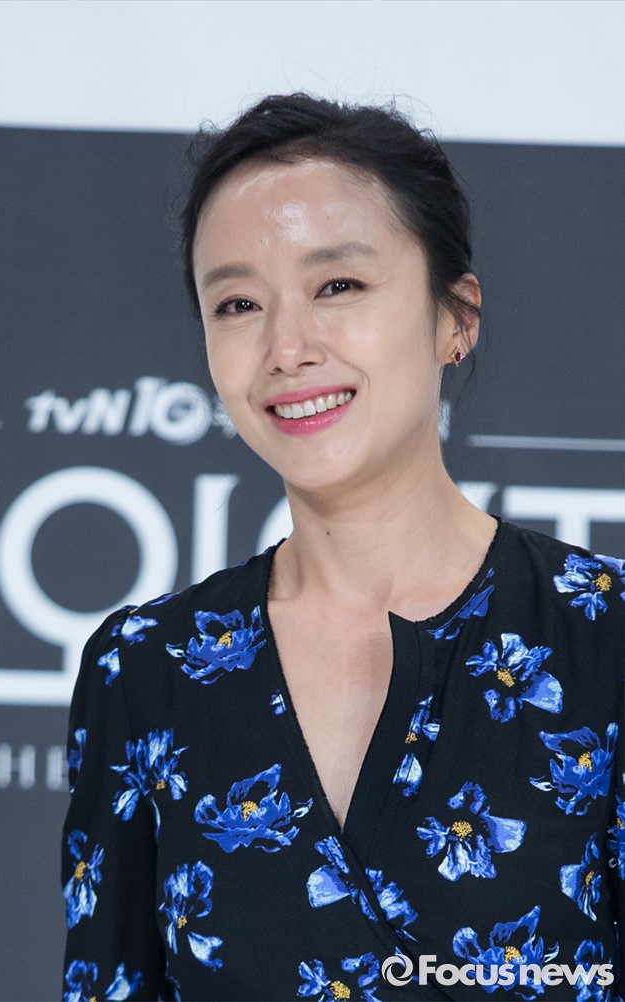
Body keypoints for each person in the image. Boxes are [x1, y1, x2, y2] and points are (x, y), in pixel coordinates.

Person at [61, 94, 623, 1002]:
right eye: (238, 303)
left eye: (338, 286)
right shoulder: (146, 669)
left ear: (456, 317)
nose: (287, 348)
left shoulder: (604, 638)